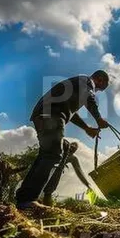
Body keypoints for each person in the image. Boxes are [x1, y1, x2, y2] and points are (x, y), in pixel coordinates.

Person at [16, 70, 110, 209]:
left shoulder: (77, 86)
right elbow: (89, 96)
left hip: (44, 114)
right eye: (99, 89)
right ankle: (28, 199)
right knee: (53, 154)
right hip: (51, 115)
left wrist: (86, 128)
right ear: (100, 79)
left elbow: (71, 113)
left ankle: (24, 198)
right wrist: (98, 118)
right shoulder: (86, 82)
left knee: (45, 154)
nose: (97, 91)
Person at [42, 139, 92, 206]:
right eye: (72, 145)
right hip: (47, 167)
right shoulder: (60, 150)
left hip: (57, 172)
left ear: (75, 151)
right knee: (39, 185)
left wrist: (87, 184)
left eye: (75, 147)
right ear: (69, 145)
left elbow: (79, 171)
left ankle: (46, 206)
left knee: (49, 191)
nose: (73, 147)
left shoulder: (73, 158)